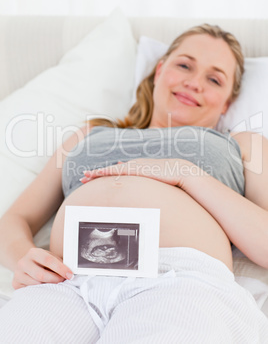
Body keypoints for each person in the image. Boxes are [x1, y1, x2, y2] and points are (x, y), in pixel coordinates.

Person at [0, 24, 268, 343]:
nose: (194, 83)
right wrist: (23, 258)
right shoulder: (88, 134)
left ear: (226, 103)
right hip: (67, 281)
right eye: (184, 65)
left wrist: (184, 173)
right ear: (158, 71)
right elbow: (16, 219)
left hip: (178, 281)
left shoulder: (244, 144)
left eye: (214, 79)